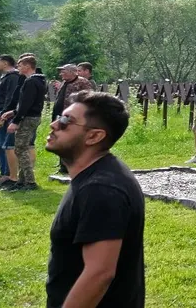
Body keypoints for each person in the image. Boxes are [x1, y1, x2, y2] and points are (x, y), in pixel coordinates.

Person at [43, 91, 144, 307]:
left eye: (65, 121)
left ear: (94, 136)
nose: (53, 125)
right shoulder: (95, 176)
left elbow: (99, 274)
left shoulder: (101, 189)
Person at [5, 53, 48, 192]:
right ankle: (22, 181)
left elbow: (26, 103)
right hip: (33, 116)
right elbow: (29, 103)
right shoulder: (39, 80)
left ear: (28, 66)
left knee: (20, 149)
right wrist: (13, 112)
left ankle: (29, 181)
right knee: (23, 148)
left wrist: (15, 121)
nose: (18, 67)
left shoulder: (30, 82)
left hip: (28, 118)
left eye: (20, 65)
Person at [51, 63, 95, 178]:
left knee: (70, 140)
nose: (61, 74)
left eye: (63, 71)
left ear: (72, 72)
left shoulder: (82, 82)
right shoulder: (64, 83)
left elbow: (88, 98)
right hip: (60, 115)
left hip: (72, 117)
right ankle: (63, 166)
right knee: (60, 139)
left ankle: (74, 165)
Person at [0, 54, 23, 186]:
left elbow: (10, 97)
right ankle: (4, 172)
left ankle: (8, 174)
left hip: (4, 115)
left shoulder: (13, 77)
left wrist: (4, 114)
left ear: (5, 63)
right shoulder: (5, 76)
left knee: (6, 145)